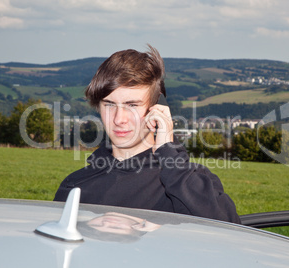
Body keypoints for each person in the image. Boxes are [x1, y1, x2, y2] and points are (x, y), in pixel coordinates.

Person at [54, 45, 241, 224]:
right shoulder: (76, 185)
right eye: (109, 104)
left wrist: (169, 154)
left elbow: (228, 231)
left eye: (132, 105)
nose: (119, 119)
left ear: (158, 109)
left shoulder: (187, 182)